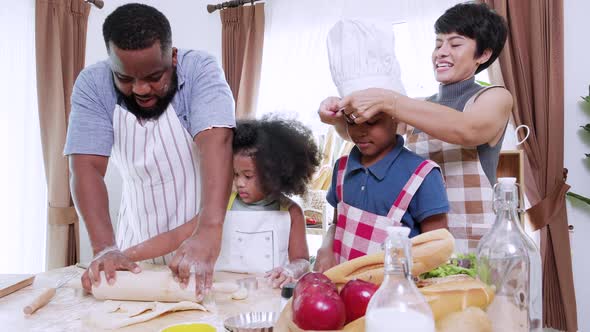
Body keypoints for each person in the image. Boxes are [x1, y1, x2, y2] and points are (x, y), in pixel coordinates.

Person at [65, 3, 235, 299]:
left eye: (155, 77)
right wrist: (105, 248)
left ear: (173, 57)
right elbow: (86, 167)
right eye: (126, 79)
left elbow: (216, 144)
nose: (141, 90)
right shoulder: (93, 85)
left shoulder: (199, 71)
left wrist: (208, 230)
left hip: (204, 243)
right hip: (134, 249)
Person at [318, 3, 511, 253]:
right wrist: (336, 118)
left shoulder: (495, 98)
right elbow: (373, 136)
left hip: (471, 243)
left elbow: (468, 129)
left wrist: (388, 100)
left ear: (483, 54)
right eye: (438, 43)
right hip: (420, 241)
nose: (441, 52)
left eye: (454, 44)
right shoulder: (419, 106)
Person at [314, 20, 449, 273]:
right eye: (352, 122)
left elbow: (436, 253)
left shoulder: (421, 175)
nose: (361, 132)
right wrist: (326, 247)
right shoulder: (342, 168)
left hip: (396, 300)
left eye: (373, 121)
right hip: (345, 295)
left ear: (395, 116)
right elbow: (338, 223)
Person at [122, 117, 319, 288]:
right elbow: (176, 237)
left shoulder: (291, 212)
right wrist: (125, 256)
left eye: (248, 176)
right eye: (234, 174)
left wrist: (290, 270)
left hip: (269, 297)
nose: (239, 183)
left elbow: (301, 260)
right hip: (222, 295)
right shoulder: (221, 207)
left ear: (273, 174)